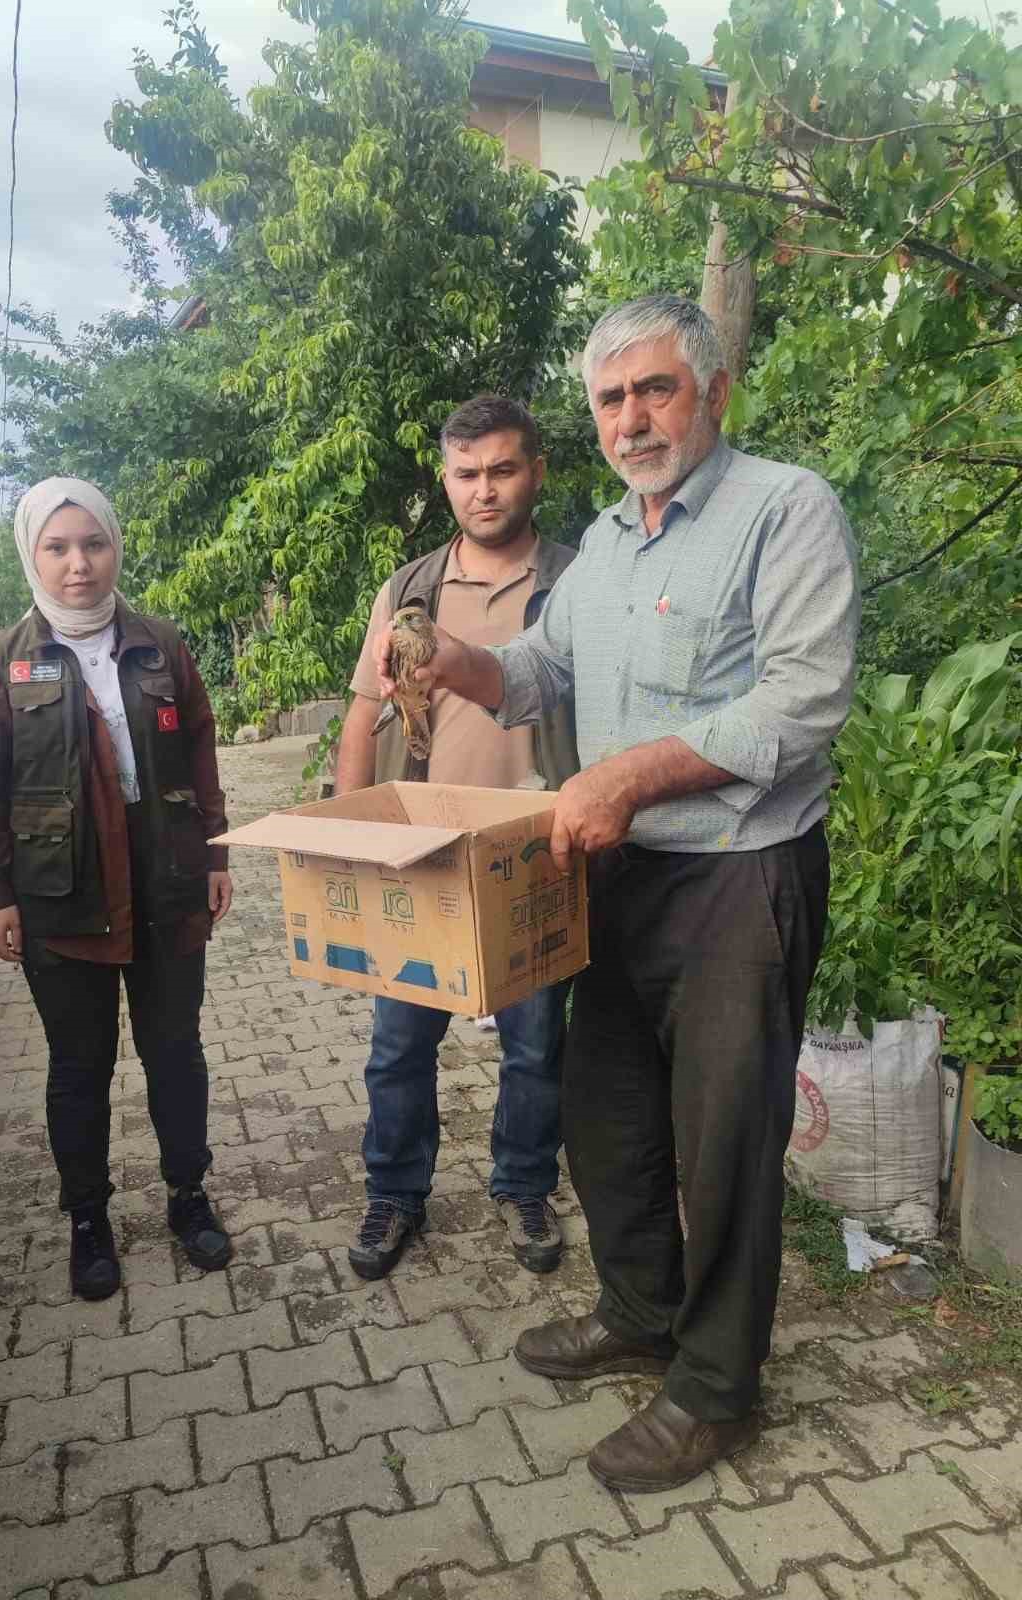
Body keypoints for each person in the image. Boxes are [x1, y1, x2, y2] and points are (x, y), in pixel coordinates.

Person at [374, 297, 860, 1490]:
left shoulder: (784, 509)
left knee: (724, 1142)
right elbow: (539, 672)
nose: (632, 418)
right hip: (624, 879)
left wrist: (628, 774)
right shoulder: (602, 546)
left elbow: (801, 703)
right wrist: (450, 661)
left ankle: (715, 1389)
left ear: (713, 391)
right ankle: (639, 1310)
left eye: (655, 390)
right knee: (609, 1115)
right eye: (610, 399)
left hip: (741, 880)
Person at [0, 477, 234, 1301]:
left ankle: (189, 1197)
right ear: (32, 556)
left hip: (167, 884)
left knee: (175, 1053)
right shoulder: (4, 660)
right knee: (80, 1067)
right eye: (58, 547)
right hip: (59, 897)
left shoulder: (161, 643)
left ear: (116, 547)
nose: (79, 565)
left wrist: (216, 856)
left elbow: (204, 756)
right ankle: (89, 1222)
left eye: (94, 544)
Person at [337, 394, 580, 1281]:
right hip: (421, 857)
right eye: (467, 474)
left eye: (503, 469)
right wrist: (347, 830)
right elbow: (365, 714)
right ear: (445, 480)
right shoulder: (410, 590)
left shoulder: (577, 579)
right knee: (400, 1044)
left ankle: (524, 1184)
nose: (485, 490)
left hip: (533, 853)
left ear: (537, 471)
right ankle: (395, 1194)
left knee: (536, 1045)